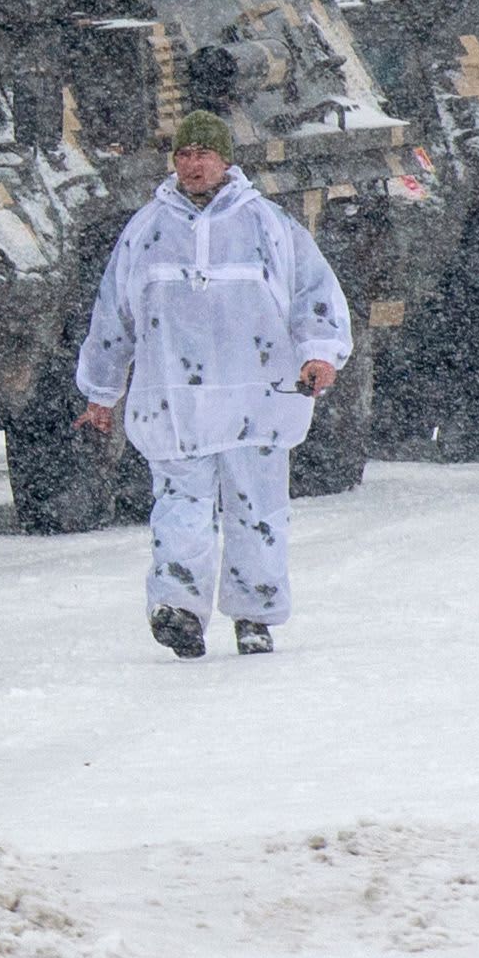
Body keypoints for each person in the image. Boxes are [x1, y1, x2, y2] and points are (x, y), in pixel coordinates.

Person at [73, 109, 353, 660]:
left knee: (258, 509)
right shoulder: (146, 230)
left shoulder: (268, 224)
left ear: (225, 160)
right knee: (181, 507)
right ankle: (178, 610)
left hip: (259, 398)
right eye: (183, 155)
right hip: (176, 401)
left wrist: (320, 354)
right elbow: (113, 316)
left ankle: (254, 615)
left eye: (203, 154)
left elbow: (313, 293)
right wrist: (101, 392)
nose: (192, 164)